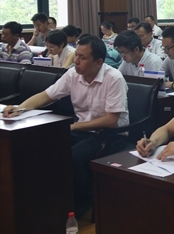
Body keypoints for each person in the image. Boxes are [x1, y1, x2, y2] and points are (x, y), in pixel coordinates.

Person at [2, 35, 129, 218]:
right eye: (76, 55)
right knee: (43, 145)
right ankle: (53, 198)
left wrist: (74, 127)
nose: (76, 61)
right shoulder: (72, 74)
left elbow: (111, 120)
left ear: (98, 62)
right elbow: (47, 95)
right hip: (81, 130)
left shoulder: (114, 78)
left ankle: (85, 200)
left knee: (74, 156)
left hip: (109, 134)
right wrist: (20, 108)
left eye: (82, 58)